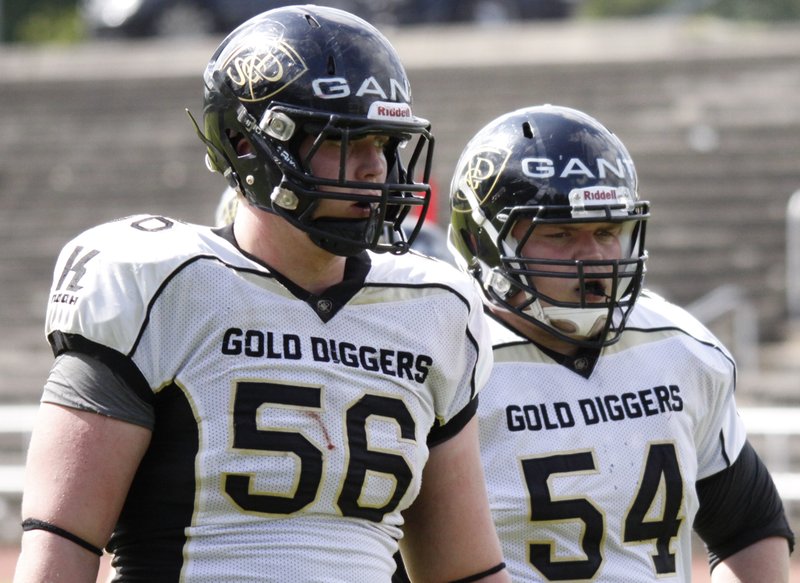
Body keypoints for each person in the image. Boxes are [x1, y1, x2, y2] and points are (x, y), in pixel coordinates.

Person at [13, 6, 509, 582]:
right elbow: (61, 549)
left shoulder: (434, 308)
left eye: (383, 142)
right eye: (345, 141)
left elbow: (466, 572)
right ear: (248, 146)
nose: (376, 169)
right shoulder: (161, 283)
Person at [447, 104, 795, 582]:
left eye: (607, 231)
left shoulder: (678, 348)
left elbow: (748, 524)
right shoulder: (448, 358)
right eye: (561, 233)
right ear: (482, 240)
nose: (592, 257)